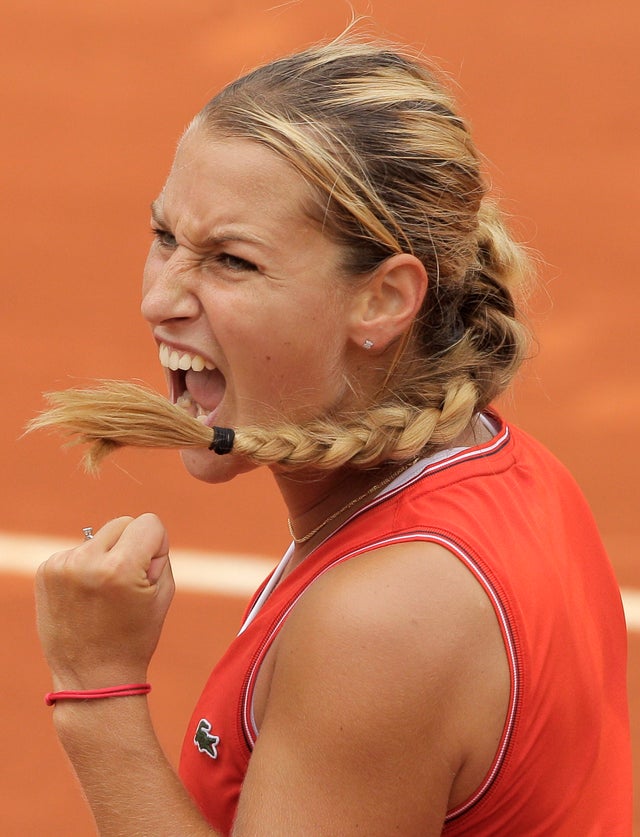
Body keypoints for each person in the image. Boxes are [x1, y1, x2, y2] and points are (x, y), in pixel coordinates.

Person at [31, 34, 632, 836]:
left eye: (232, 261)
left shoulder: (384, 621)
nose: (160, 299)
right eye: (166, 237)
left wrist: (95, 685)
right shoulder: (510, 470)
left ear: (383, 300)